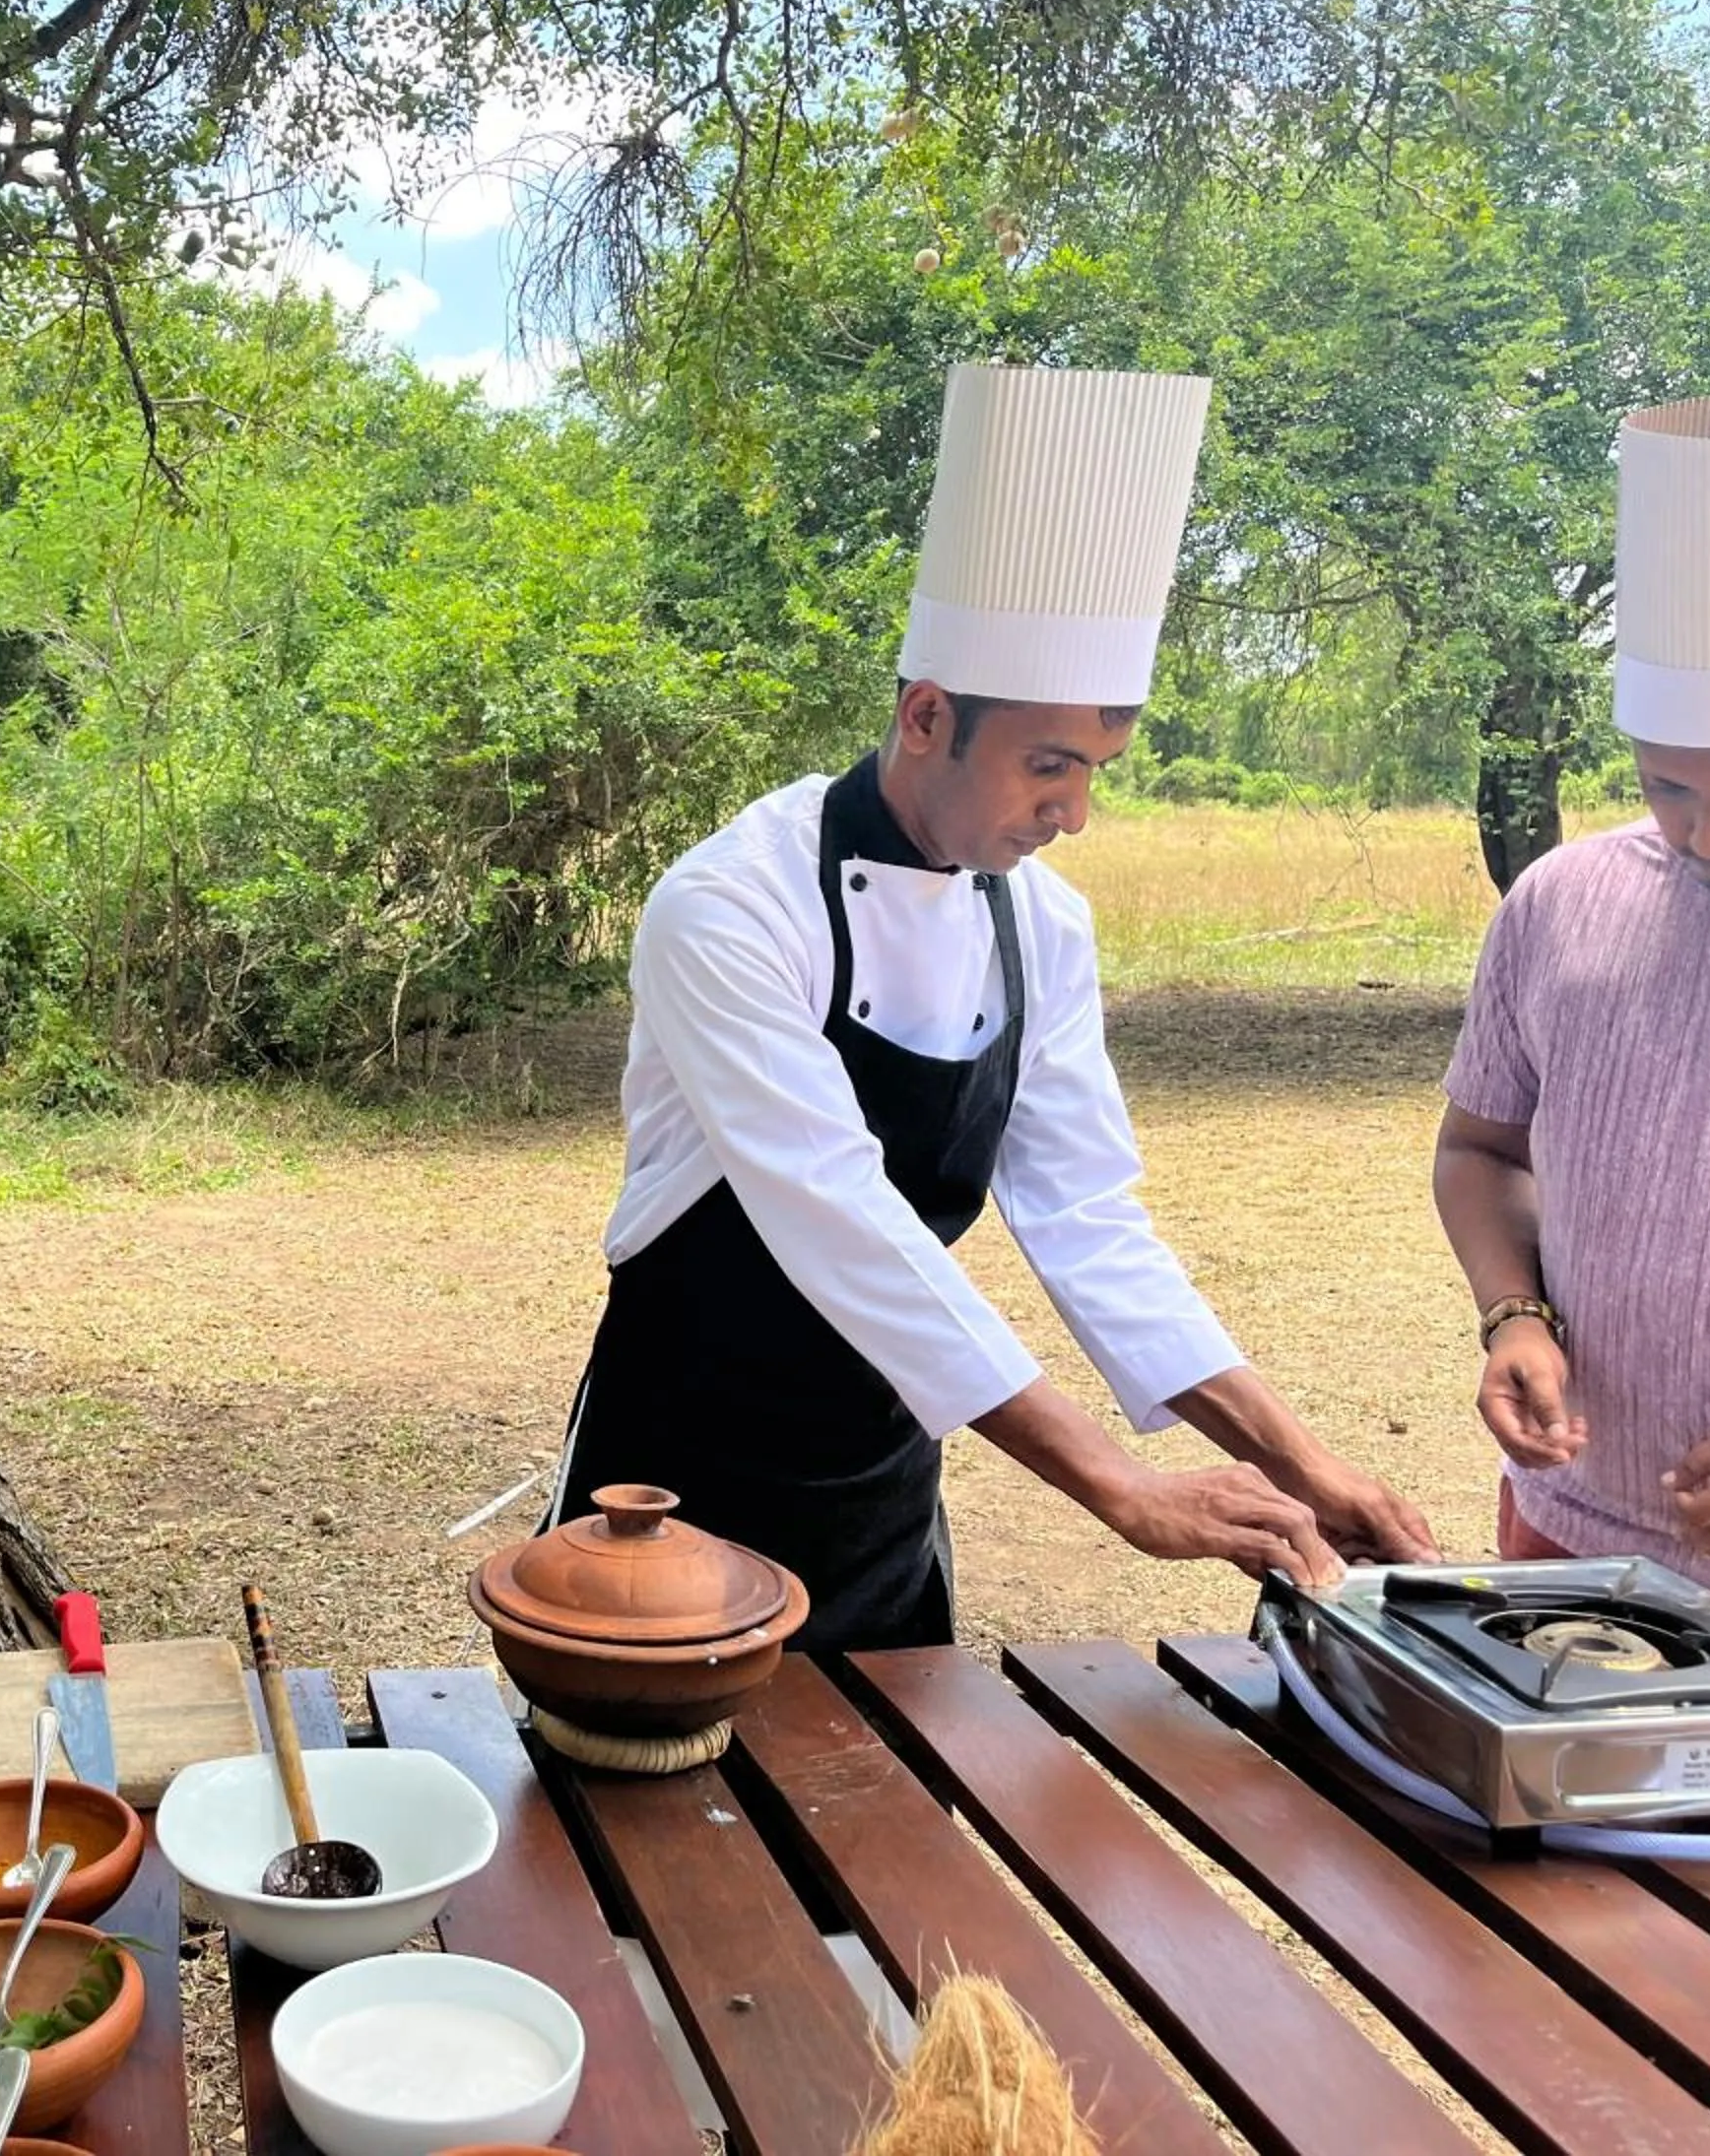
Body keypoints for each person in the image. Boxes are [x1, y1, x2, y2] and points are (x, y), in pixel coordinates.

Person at [548, 361, 1436, 1651]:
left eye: (1097, 769)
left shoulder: (1042, 924)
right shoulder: (730, 906)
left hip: (882, 1461)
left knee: (892, 1774)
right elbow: (842, 1218)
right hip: (675, 1480)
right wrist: (1120, 1485)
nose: (1074, 811)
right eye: (1048, 765)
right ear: (926, 716)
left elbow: (1087, 1217)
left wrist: (1298, 1460)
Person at [1434, 386, 1710, 1606]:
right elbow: (1481, 1149)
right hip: (1568, 1545)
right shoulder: (1563, 901)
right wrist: (1514, 1314)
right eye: (1669, 787)